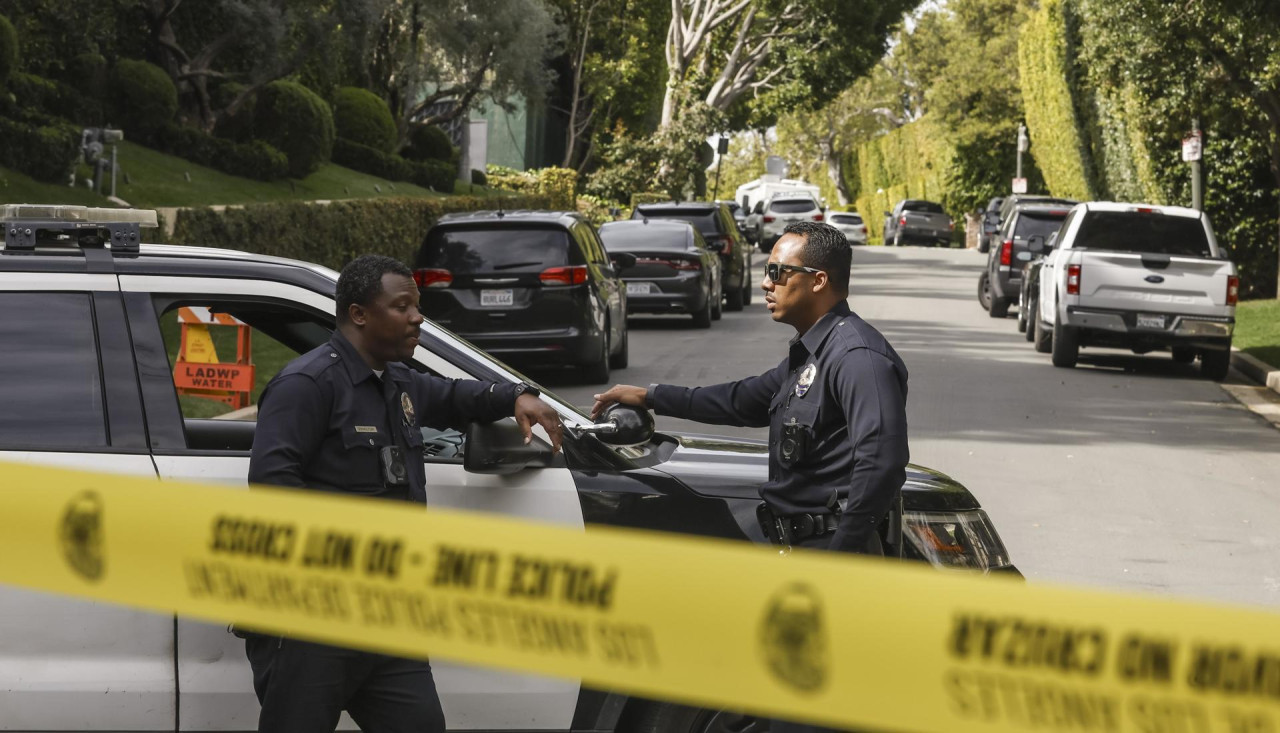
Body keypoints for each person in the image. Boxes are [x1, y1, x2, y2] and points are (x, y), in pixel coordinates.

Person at [245, 254, 564, 733]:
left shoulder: (397, 379)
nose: (418, 317)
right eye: (403, 306)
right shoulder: (307, 385)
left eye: (417, 306)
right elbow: (272, 491)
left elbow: (457, 396)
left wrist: (515, 394)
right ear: (359, 314)